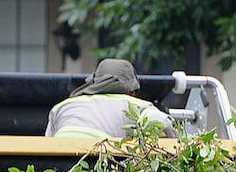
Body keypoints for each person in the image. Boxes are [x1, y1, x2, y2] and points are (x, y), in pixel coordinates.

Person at [45, 57, 176, 140]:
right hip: (100, 169)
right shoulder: (133, 105)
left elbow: (46, 145)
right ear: (132, 92)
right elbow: (164, 124)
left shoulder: (62, 106)